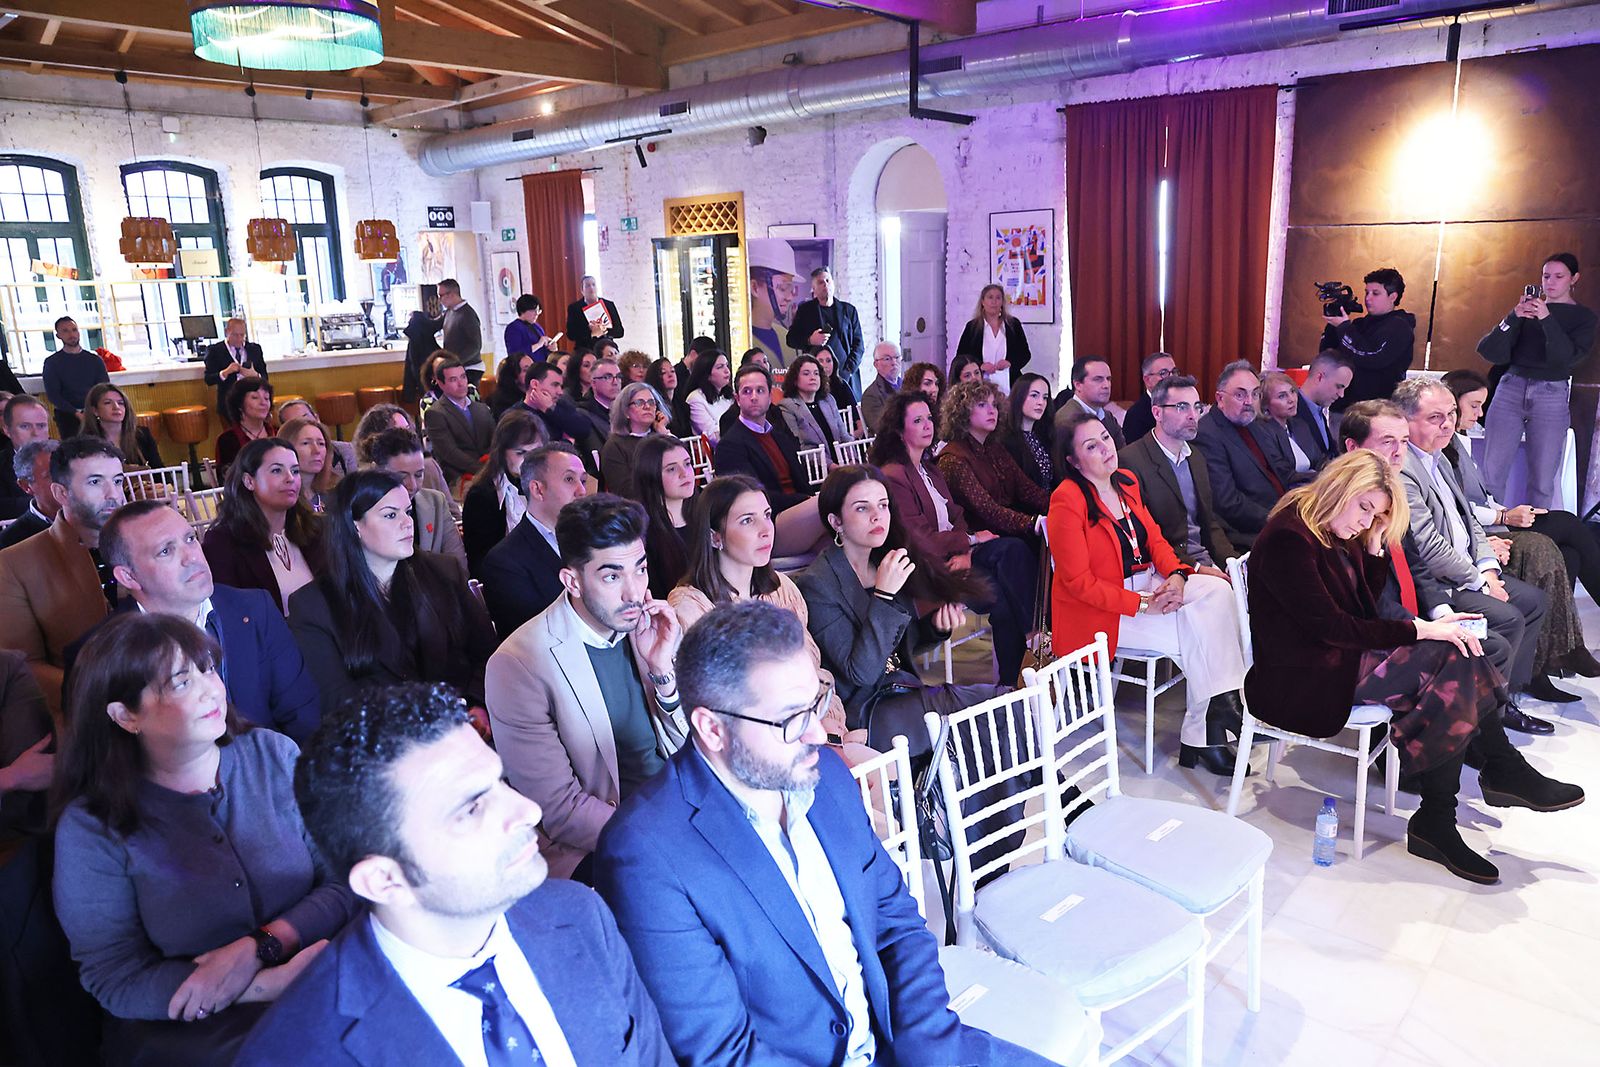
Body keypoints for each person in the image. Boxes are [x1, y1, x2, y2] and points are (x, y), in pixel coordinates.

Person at [592, 600, 1053, 1067]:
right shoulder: (645, 855)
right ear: (712, 729)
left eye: (815, 704)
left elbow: (895, 922)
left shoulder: (826, 775)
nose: (818, 734)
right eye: (791, 720)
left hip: (908, 1044)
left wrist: (929, 1048)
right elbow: (724, 1055)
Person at [232, 682, 672, 1067]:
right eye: (472, 807)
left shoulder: (581, 916)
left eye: (500, 783)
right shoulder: (297, 1053)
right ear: (385, 880)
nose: (528, 811)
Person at [1245, 451, 1584, 885]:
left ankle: (1450, 808)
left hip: (1333, 660)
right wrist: (1421, 630)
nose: (1367, 520)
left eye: (1378, 513)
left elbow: (1362, 608)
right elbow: (1335, 627)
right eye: (1364, 508)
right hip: (1298, 677)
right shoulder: (1290, 537)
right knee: (1449, 657)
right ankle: (1479, 785)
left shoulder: (1335, 528)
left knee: (1457, 655)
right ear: (1339, 488)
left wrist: (1373, 546)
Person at [53, 614, 359, 1064]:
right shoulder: (93, 826)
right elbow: (114, 973)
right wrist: (258, 985)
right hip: (197, 1026)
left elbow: (343, 878)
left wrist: (264, 944)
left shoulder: (273, 754)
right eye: (180, 682)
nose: (211, 689)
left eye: (207, 669)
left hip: (322, 968)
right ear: (125, 716)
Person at [484, 495, 689, 882]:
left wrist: (663, 671)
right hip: (604, 843)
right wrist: (665, 838)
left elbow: (693, 749)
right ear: (572, 581)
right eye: (612, 576)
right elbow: (561, 811)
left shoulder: (649, 627)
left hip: (679, 809)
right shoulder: (519, 663)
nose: (633, 592)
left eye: (640, 570)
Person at [1050, 407, 1248, 775]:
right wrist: (1143, 605)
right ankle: (1207, 731)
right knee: (1197, 629)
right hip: (1103, 611)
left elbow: (1155, 538)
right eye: (1092, 446)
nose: (1106, 449)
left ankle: (1218, 711)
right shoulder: (1067, 500)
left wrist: (1176, 575)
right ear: (1073, 461)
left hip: (1151, 585)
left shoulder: (1125, 481)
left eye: (1106, 438)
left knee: (1219, 594)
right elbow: (1078, 584)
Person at [70, 500, 320, 744]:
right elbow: (105, 761)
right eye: (166, 550)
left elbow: (302, 715)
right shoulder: (98, 654)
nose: (192, 557)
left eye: (190, 539)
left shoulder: (255, 609)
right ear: (128, 576)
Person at [1392, 378, 1557, 728]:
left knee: (1533, 600)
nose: (1448, 423)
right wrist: (1478, 581)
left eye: (1451, 414)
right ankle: (1482, 720)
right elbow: (1427, 545)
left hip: (1469, 570)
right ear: (1406, 420)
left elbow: (1470, 522)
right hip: (1442, 580)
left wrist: (1488, 571)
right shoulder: (1404, 469)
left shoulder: (1441, 457)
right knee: (1510, 616)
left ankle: (1503, 698)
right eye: (1436, 417)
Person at [795, 465, 997, 750]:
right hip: (868, 710)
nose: (878, 515)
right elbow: (861, 674)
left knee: (996, 713)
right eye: (862, 509)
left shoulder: (882, 561)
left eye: (883, 505)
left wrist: (934, 628)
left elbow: (901, 647)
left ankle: (1052, 788)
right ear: (836, 521)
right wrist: (883, 595)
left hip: (905, 692)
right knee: (989, 710)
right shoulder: (817, 585)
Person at [1436, 370, 1597, 703]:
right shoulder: (1440, 451)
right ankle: (1560, 654)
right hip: (1483, 531)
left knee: (1570, 554)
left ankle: (1550, 659)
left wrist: (1504, 511)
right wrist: (1503, 516)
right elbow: (1460, 509)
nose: (1479, 414)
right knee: (1566, 526)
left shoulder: (1456, 445)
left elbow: (1475, 500)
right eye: (1474, 405)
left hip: (1488, 525)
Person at [287, 471, 493, 719]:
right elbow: (338, 699)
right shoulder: (313, 605)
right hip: (384, 743)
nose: (408, 522)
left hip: (466, 724)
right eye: (390, 515)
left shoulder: (444, 571)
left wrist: (478, 706)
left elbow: (487, 652)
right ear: (355, 526)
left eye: (407, 511)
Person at [871, 392, 1037, 685]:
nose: (928, 425)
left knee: (1002, 598)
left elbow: (956, 515)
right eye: (918, 420)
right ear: (899, 430)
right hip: (926, 569)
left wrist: (967, 551)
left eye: (930, 418)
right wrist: (970, 541)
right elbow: (918, 539)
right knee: (1010, 549)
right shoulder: (894, 475)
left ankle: (1012, 685)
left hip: (956, 559)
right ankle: (1033, 637)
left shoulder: (931, 469)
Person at [0, 435, 125, 716]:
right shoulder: (14, 563)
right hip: (82, 715)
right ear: (61, 493)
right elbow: (23, 666)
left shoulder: (143, 541)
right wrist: (104, 697)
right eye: (95, 482)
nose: (113, 495)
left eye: (117, 481)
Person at [1479, 252, 1597, 509]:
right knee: (1491, 472)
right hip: (1511, 385)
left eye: (1559, 276)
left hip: (1551, 392)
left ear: (1573, 279)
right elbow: (1489, 351)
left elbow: (1565, 359)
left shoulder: (1584, 318)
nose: (1550, 283)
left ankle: (1537, 538)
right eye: (1546, 276)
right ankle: (1486, 531)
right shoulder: (1526, 311)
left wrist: (1546, 318)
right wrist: (1513, 316)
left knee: (1543, 478)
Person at [1118, 374, 1238, 570]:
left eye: (1197, 407)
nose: (1193, 415)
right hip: (1168, 566)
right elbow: (1145, 537)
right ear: (1157, 413)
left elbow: (1209, 523)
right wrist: (1198, 568)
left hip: (1205, 558)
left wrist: (1231, 563)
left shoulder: (1195, 456)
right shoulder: (1131, 460)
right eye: (1182, 407)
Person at [713, 364, 828, 557]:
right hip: (767, 523)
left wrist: (806, 500)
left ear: (770, 396)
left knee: (839, 543)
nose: (754, 397)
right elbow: (750, 498)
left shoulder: (779, 435)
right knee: (830, 501)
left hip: (799, 513)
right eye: (747, 391)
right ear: (737, 399)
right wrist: (806, 501)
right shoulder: (730, 445)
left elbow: (802, 482)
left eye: (760, 390)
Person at [202, 438, 325, 615]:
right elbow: (229, 615)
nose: (290, 479)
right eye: (277, 470)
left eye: (295, 471)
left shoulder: (314, 528)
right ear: (249, 481)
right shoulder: (223, 542)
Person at [480, 443, 589, 636]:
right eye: (569, 479)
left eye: (583, 480)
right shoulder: (504, 562)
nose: (582, 491)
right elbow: (532, 637)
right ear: (538, 490)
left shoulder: (594, 541)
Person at [1193, 360, 1293, 550]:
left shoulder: (1254, 424)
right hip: (1250, 531)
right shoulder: (1207, 435)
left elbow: (1281, 470)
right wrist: (1278, 519)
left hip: (1282, 511)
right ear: (1220, 399)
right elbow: (1228, 503)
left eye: (1255, 394)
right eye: (1240, 395)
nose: (1249, 402)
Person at [937, 379, 1049, 544]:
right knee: (1020, 546)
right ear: (963, 412)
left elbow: (1026, 488)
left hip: (1002, 530)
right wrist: (1032, 523)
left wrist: (1062, 503)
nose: (992, 411)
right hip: (977, 538)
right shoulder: (953, 459)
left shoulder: (994, 448)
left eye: (995, 405)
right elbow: (987, 510)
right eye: (982, 405)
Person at [365, 427, 467, 570]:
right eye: (401, 477)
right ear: (376, 471)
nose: (412, 485)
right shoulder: (362, 512)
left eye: (419, 475)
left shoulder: (436, 502)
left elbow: (457, 565)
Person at [461, 410, 544, 577]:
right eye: (521, 453)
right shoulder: (482, 496)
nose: (529, 460)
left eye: (536, 452)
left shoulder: (549, 486)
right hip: (506, 578)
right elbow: (481, 563)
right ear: (502, 452)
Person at [1321, 267, 1415, 411]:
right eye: (1366, 292)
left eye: (1375, 293)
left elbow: (1372, 356)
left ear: (1393, 297)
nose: (1368, 298)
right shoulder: (1358, 325)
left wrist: (1344, 328)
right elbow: (1328, 354)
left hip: (1376, 411)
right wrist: (1334, 326)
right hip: (1343, 407)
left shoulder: (1399, 327)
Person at [354, 402, 458, 520]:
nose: (413, 486)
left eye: (407, 430)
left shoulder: (429, 468)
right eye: (396, 433)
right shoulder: (361, 489)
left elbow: (454, 515)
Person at [633, 435, 697, 599]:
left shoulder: (707, 512)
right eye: (672, 469)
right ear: (651, 475)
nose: (685, 473)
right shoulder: (643, 532)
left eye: (687, 464)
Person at [785, 266, 865, 398]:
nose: (825, 285)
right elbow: (791, 339)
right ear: (814, 289)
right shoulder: (805, 310)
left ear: (833, 283)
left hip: (845, 376)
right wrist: (810, 340)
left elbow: (859, 345)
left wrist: (849, 370)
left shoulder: (849, 310)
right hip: (817, 378)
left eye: (828, 281)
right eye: (821, 282)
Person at [422, 358, 495, 487]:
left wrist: (493, 465)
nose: (461, 384)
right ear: (440, 383)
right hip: (458, 475)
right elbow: (449, 453)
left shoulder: (481, 408)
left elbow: (495, 440)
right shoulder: (435, 413)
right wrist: (483, 470)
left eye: (463, 377)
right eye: (453, 379)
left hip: (489, 469)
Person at [955, 283, 1033, 393]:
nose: (994, 302)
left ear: (1002, 302)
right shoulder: (972, 327)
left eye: (998, 298)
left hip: (1010, 383)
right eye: (990, 297)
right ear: (982, 302)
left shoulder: (1013, 325)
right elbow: (961, 357)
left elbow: (1025, 354)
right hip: (979, 383)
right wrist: (979, 366)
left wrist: (1010, 364)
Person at [41, 316, 108, 438]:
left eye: (74, 329)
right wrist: (76, 413)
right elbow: (54, 395)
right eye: (65, 331)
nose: (71, 334)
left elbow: (104, 389)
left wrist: (92, 411)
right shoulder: (52, 362)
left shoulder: (95, 360)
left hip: (95, 412)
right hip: (67, 415)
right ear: (58, 336)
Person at [600, 382, 669, 497]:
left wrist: (663, 432)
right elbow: (625, 491)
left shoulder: (660, 437)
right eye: (639, 403)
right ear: (626, 411)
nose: (647, 407)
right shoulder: (614, 446)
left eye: (651, 402)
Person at [1287, 351, 1352, 467]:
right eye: (1338, 387)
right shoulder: (1290, 412)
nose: (1341, 395)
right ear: (1319, 377)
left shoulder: (1319, 412)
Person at [775, 352, 849, 453]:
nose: (813, 377)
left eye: (816, 373)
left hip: (841, 462)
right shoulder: (788, 406)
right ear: (795, 379)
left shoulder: (828, 400)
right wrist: (831, 465)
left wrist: (852, 460)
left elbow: (844, 436)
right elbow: (799, 447)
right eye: (806, 373)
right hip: (814, 466)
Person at [82, 383, 163, 470]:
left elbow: (160, 470)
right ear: (95, 411)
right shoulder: (87, 442)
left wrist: (163, 483)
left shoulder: (142, 434)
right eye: (108, 403)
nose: (116, 407)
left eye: (121, 403)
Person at [748, 238, 800, 369]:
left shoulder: (786, 336)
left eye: (790, 288)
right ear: (755, 288)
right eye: (783, 288)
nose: (789, 297)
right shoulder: (744, 340)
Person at [1055, 356, 1125, 450]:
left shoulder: (1107, 416)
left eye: (1108, 379)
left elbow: (1123, 452)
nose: (1106, 385)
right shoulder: (1066, 420)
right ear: (1078, 385)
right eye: (1098, 379)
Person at [0, 439, 59, 549]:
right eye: (52, 475)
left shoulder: (95, 519)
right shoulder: (8, 543)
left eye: (68, 471)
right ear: (26, 486)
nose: (65, 480)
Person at [203, 318, 267, 418]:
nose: (239, 339)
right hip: (228, 402)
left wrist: (255, 375)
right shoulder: (215, 350)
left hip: (254, 401)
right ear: (226, 332)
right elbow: (208, 379)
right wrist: (225, 373)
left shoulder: (254, 349)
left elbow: (265, 376)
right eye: (235, 335)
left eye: (242, 335)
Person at [1, 394, 51, 520]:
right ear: (7, 430)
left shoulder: (68, 458)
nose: (35, 433)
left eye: (41, 426)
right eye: (25, 426)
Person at [1002, 372, 1055, 489]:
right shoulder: (1005, 440)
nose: (1041, 402)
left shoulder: (1045, 435)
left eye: (1045, 397)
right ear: (1019, 397)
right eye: (1034, 395)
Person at [280, 415, 340, 515]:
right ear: (287, 448)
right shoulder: (279, 500)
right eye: (306, 443)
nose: (316, 451)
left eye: (321, 444)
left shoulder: (336, 489)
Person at [215, 375, 275, 474]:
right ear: (239, 404)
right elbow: (226, 478)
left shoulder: (277, 432)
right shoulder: (227, 439)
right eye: (255, 397)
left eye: (266, 398)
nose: (263, 403)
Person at [1261, 370, 1316, 475]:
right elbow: (1283, 473)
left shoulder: (1300, 425)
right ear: (1265, 404)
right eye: (1282, 396)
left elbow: (1319, 460)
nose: (1291, 399)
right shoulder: (1264, 433)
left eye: (1292, 391)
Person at [1120, 351, 1177, 445]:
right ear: (1147, 380)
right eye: (1163, 373)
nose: (1172, 378)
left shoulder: (1181, 406)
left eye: (1174, 372)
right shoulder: (1136, 414)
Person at [436, 278, 484, 386]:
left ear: (451, 294)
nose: (439, 300)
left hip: (470, 369)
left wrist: (455, 361)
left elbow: (475, 345)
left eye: (441, 296)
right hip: (456, 367)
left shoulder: (468, 315)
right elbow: (434, 325)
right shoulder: (449, 311)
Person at [684, 347, 734, 444]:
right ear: (707, 374)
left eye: (727, 365)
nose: (727, 371)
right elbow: (712, 435)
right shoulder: (695, 398)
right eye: (720, 367)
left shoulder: (729, 396)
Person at [566, 274, 625, 349]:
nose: (591, 288)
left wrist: (604, 330)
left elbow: (620, 332)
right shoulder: (574, 308)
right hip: (585, 350)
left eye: (593, 285)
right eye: (587, 286)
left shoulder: (609, 305)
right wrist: (591, 333)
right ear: (582, 290)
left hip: (606, 348)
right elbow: (571, 335)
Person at [814, 345, 863, 430]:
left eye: (828, 361)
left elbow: (856, 414)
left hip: (849, 432)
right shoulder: (810, 389)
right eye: (820, 361)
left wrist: (856, 433)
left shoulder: (842, 384)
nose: (825, 365)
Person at [580, 355, 625, 446]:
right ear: (593, 383)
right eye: (607, 377)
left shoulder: (628, 410)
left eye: (618, 376)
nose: (615, 382)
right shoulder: (584, 414)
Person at [859, 342, 902, 433]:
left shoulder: (908, 386)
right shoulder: (871, 396)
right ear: (876, 364)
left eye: (897, 357)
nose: (894, 362)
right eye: (887, 359)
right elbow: (881, 428)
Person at [502, 293, 553, 363]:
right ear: (522, 311)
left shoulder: (537, 327)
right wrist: (538, 344)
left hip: (541, 367)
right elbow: (515, 354)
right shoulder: (513, 328)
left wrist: (551, 348)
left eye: (538, 311)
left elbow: (544, 351)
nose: (536, 314)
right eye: (533, 311)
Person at [488, 351, 535, 422]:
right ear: (513, 376)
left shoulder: (538, 394)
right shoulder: (503, 404)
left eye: (533, 367)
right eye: (526, 370)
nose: (533, 372)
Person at [646, 357, 688, 437]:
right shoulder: (654, 407)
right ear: (655, 378)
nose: (670, 375)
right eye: (663, 373)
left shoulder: (681, 403)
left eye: (672, 371)